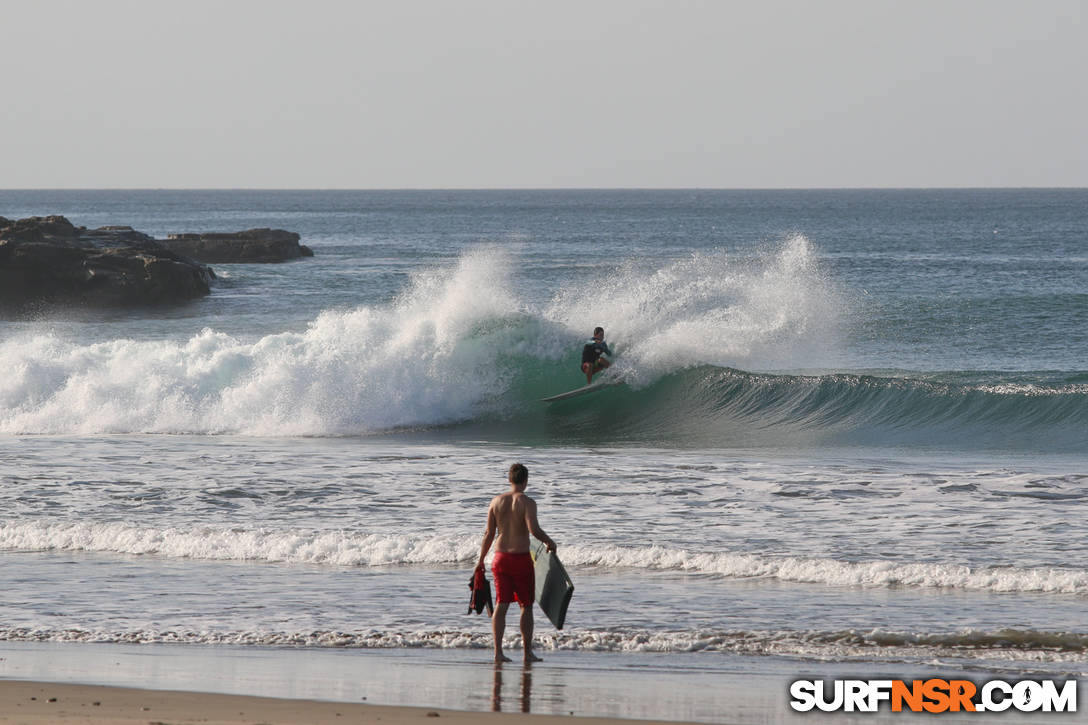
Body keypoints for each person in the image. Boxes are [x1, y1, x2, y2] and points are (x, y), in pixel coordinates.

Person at [476, 463, 556, 664]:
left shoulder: (496, 501)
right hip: (520, 559)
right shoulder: (527, 502)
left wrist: (480, 561)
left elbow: (488, 534)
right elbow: (534, 530)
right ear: (526, 481)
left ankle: (498, 653)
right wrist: (549, 541)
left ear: (509, 480)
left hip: (500, 558)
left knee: (501, 604)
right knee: (526, 606)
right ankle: (527, 653)